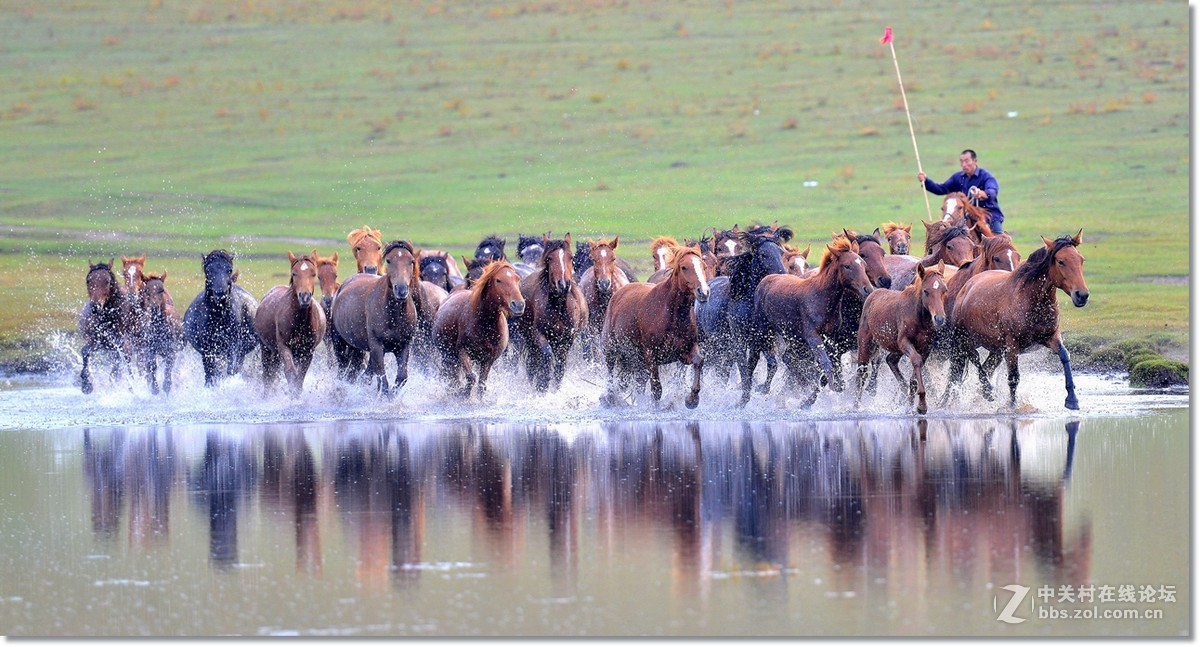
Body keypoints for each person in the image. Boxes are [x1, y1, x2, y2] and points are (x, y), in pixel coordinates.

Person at [918, 149, 1006, 234]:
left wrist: (981, 193)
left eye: (967, 161)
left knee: (998, 237)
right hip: (968, 215)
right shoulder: (958, 178)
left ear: (975, 161)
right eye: (961, 161)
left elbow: (992, 191)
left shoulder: (986, 176)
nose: (964, 165)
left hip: (989, 215)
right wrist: (926, 181)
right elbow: (941, 189)